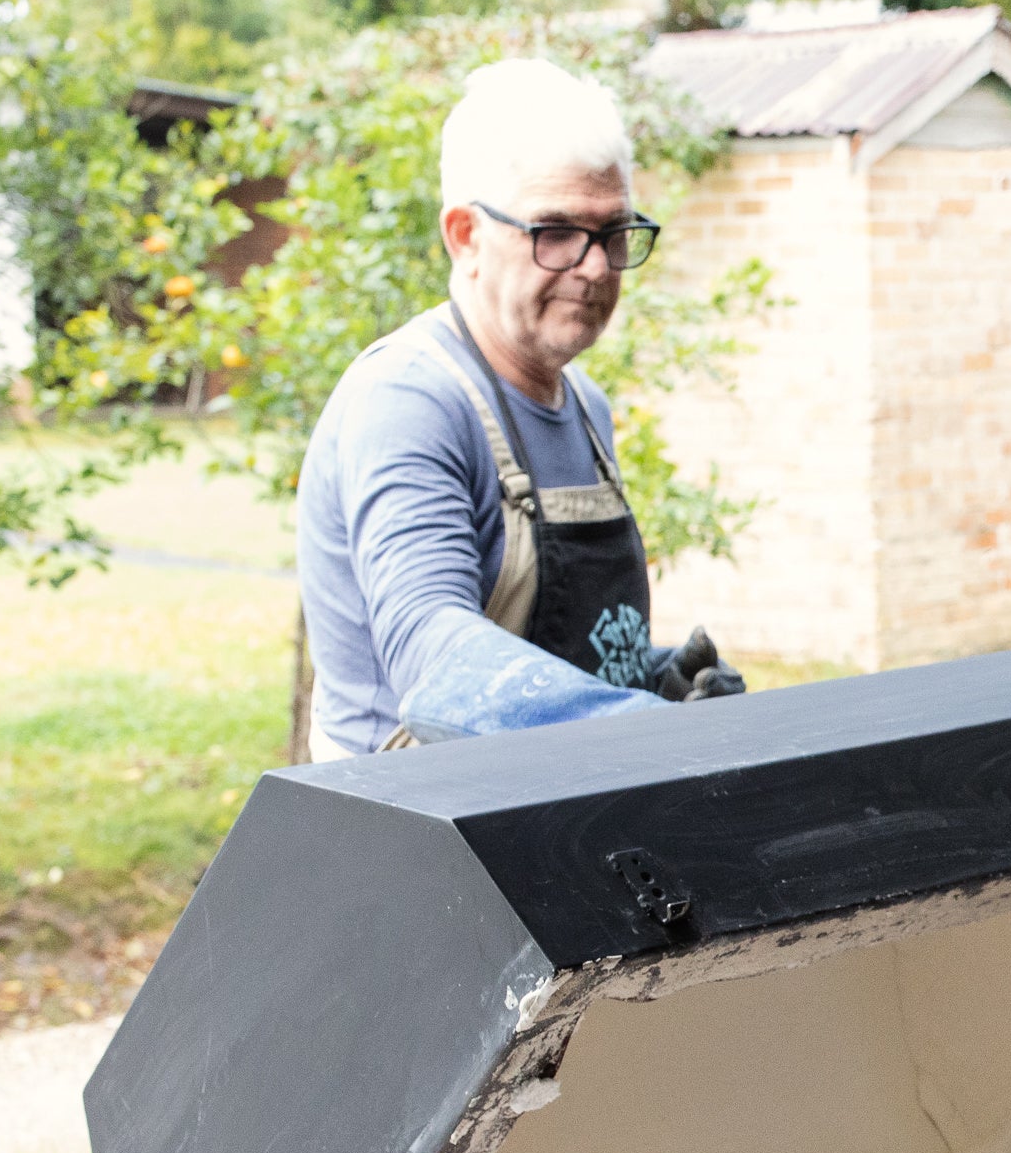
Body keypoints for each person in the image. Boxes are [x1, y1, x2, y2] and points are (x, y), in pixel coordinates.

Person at [296, 57, 742, 760]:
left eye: (612, 232)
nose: (594, 267)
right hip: (416, 831)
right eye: (556, 232)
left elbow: (549, 645)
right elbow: (434, 654)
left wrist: (654, 680)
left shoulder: (584, 404)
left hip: (549, 800)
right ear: (465, 236)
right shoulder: (410, 401)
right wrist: (636, 732)